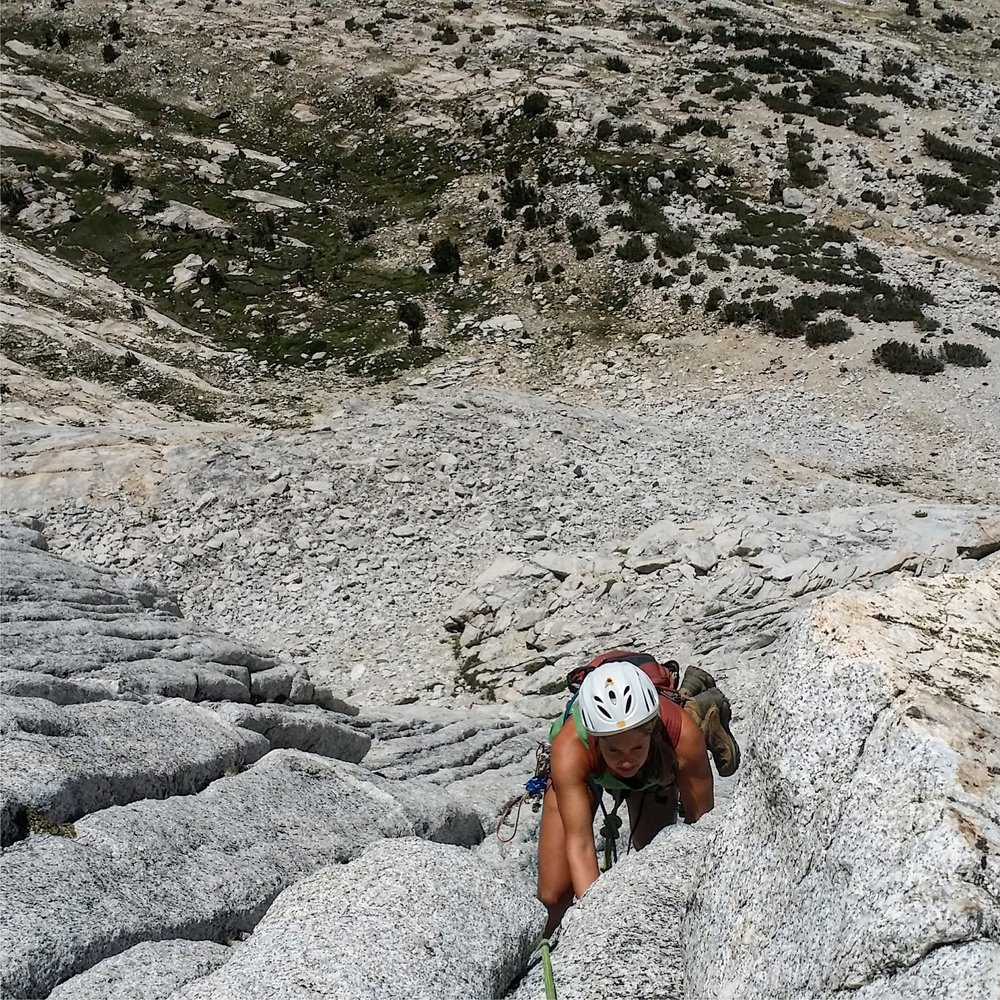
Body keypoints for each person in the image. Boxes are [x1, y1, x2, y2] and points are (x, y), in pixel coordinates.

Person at [536, 651, 738, 936]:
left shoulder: (682, 735)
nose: (626, 760)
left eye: (635, 748)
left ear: (652, 729)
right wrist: (596, 923)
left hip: (655, 771)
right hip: (593, 771)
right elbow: (580, 843)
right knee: (553, 896)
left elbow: (701, 829)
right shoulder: (569, 748)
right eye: (614, 750)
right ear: (596, 738)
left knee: (652, 858)